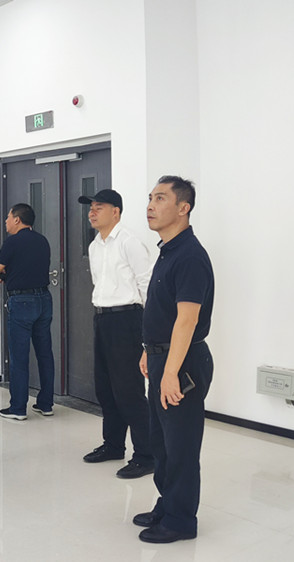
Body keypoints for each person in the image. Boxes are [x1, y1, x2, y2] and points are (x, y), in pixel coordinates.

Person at [133, 176, 214, 543]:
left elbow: (187, 320)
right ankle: (167, 504)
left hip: (183, 364)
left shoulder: (190, 256)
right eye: (150, 198)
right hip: (163, 357)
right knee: (162, 442)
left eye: (161, 198)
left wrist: (170, 371)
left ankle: (181, 521)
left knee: (180, 445)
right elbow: (162, 310)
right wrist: (148, 349)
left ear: (184, 208)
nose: (151, 205)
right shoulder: (168, 251)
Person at [77, 189, 154, 479]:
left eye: (99, 207)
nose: (92, 212)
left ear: (116, 212)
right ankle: (113, 445)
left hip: (127, 320)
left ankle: (146, 455)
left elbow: (147, 287)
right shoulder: (95, 245)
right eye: (90, 208)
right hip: (103, 319)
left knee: (129, 391)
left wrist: (148, 332)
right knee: (105, 388)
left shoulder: (129, 242)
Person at [0, 203, 55, 419]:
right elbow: (26, 269)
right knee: (45, 353)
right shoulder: (42, 241)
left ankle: (18, 408)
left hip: (22, 302)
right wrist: (8, 275)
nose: (6, 221)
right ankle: (46, 404)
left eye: (8, 217)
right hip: (44, 300)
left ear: (17, 219)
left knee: (19, 356)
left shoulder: (12, 242)